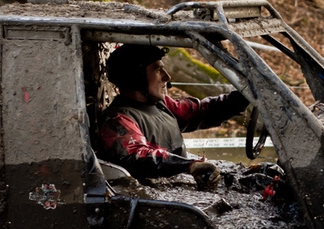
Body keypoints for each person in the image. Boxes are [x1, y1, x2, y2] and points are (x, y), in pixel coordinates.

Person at [95, 44, 249, 189]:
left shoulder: (162, 104)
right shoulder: (118, 120)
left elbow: (200, 111)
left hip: (177, 186)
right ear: (136, 77)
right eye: (157, 70)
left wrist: (241, 99)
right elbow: (138, 156)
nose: (167, 77)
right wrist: (188, 165)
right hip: (153, 200)